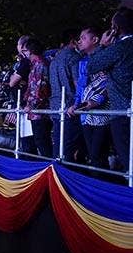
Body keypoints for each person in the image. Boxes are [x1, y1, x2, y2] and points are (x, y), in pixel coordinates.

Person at [87, 8, 133, 173]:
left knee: (128, 159)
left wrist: (102, 45)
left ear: (115, 29)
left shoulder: (119, 48)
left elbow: (92, 66)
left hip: (122, 111)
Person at [68, 25, 111, 169]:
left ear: (95, 40)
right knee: (93, 156)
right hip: (85, 115)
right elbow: (80, 88)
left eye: (83, 38)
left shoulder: (107, 57)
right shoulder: (83, 62)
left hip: (104, 115)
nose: (79, 41)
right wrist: (76, 105)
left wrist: (96, 100)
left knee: (98, 155)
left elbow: (109, 85)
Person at [49, 29, 82, 161]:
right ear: (73, 41)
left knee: (58, 147)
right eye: (79, 40)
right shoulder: (74, 57)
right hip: (71, 107)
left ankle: (56, 171)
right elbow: (78, 83)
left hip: (56, 107)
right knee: (70, 148)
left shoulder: (54, 60)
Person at [22, 38, 53, 157]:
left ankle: (49, 165)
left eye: (24, 50)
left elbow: (40, 89)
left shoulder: (40, 64)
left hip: (40, 111)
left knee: (42, 141)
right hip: (36, 110)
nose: (23, 53)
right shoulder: (35, 64)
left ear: (31, 51)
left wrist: (31, 105)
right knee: (40, 140)